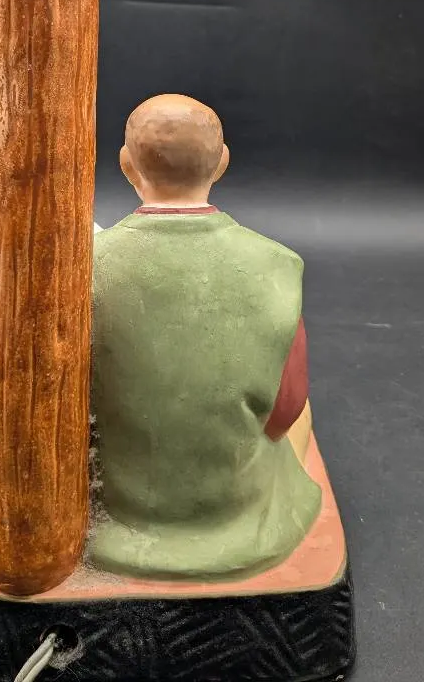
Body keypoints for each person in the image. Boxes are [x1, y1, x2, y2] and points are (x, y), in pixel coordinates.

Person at [89, 94, 322, 580]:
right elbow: (286, 408)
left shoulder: (84, 264)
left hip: (116, 508)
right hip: (234, 515)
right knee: (301, 421)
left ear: (126, 165)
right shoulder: (277, 264)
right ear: (222, 162)